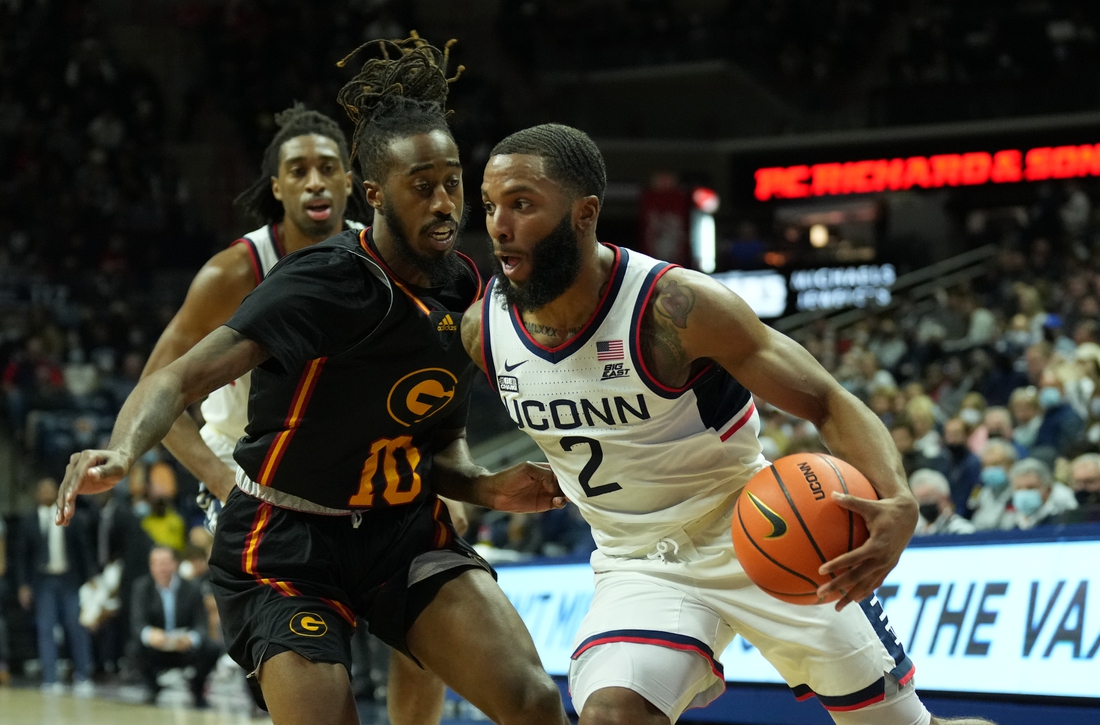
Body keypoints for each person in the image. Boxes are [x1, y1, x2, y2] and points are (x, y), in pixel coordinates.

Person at [56, 35, 566, 725]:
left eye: (452, 183)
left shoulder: (464, 289)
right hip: (284, 532)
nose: (445, 202)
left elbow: (439, 443)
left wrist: (485, 486)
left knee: (534, 701)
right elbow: (174, 377)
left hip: (397, 529)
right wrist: (123, 451)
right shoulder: (317, 279)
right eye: (424, 187)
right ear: (377, 195)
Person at [468, 122, 994, 725]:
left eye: (522, 204)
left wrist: (899, 498)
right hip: (639, 561)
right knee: (613, 714)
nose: (499, 225)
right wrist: (479, 487)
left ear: (584, 214)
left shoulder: (675, 307)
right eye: (489, 206)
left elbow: (825, 399)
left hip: (763, 534)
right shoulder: (485, 329)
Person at [138, 99, 457, 723]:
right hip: (254, 471)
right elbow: (158, 389)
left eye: (328, 167)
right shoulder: (236, 270)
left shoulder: (387, 258)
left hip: (355, 460)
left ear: (351, 183)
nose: (315, 180)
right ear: (276, 187)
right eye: (299, 169)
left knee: (431, 603)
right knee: (296, 659)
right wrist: (220, 481)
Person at [14, 478, 96, 695]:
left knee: (76, 626)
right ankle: (51, 679)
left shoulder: (71, 516)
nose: (47, 492)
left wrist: (91, 578)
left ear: (58, 491)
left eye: (51, 489)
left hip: (70, 578)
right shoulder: (28, 521)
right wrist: (23, 585)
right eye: (43, 489)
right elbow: (21, 557)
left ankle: (83, 676)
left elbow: (84, 549)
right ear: (36, 494)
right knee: (46, 629)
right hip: (43, 581)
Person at [130, 546, 223, 707]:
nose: (162, 568)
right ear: (151, 566)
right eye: (157, 563)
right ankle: (152, 688)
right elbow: (137, 623)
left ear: (175, 564)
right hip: (157, 646)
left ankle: (196, 688)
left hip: (183, 646)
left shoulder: (192, 588)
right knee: (133, 648)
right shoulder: (142, 587)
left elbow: (201, 624)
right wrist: (150, 634)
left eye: (165, 563)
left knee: (213, 647)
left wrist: (190, 639)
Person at [1001, 458, 1077, 530]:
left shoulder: (1064, 518)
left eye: (1031, 488)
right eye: (1019, 488)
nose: (1024, 493)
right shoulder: (1009, 520)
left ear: (1048, 489)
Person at [909, 469, 975, 535]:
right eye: (920, 500)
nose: (925, 503)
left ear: (945, 498)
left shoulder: (960, 529)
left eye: (929, 498)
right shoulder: (913, 532)